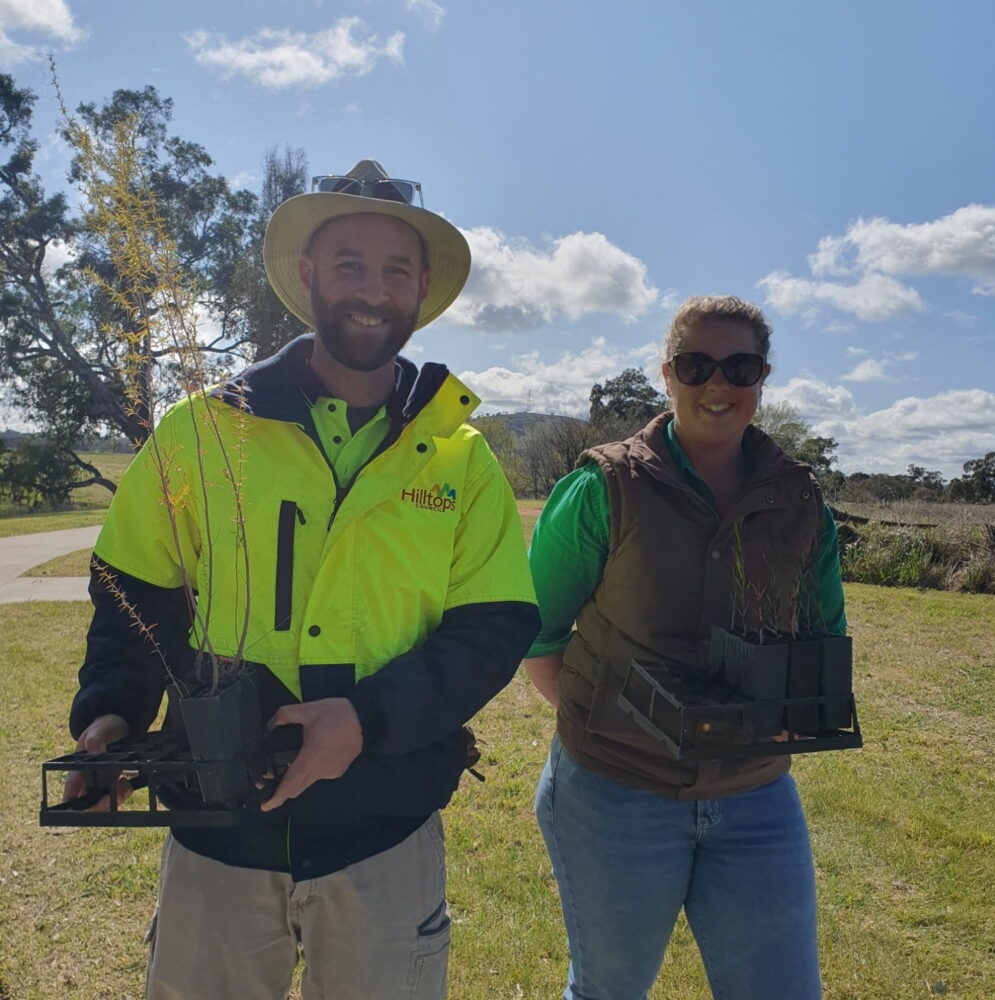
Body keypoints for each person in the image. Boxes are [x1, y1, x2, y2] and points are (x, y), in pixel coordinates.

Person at [65, 159, 540, 1000]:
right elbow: (135, 597)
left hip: (384, 830)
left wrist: (364, 720)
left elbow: (492, 632)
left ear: (422, 289)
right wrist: (110, 716)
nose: (372, 289)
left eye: (396, 270)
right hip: (217, 831)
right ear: (307, 275)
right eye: (350, 264)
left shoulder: (463, 460)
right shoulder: (203, 430)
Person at [523, 295, 846, 1000]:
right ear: (667, 375)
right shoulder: (603, 487)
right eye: (697, 365)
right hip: (613, 793)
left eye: (740, 366)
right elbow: (538, 634)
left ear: (762, 378)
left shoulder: (799, 501)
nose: (718, 384)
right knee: (608, 990)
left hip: (757, 795)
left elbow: (823, 636)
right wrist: (610, 728)